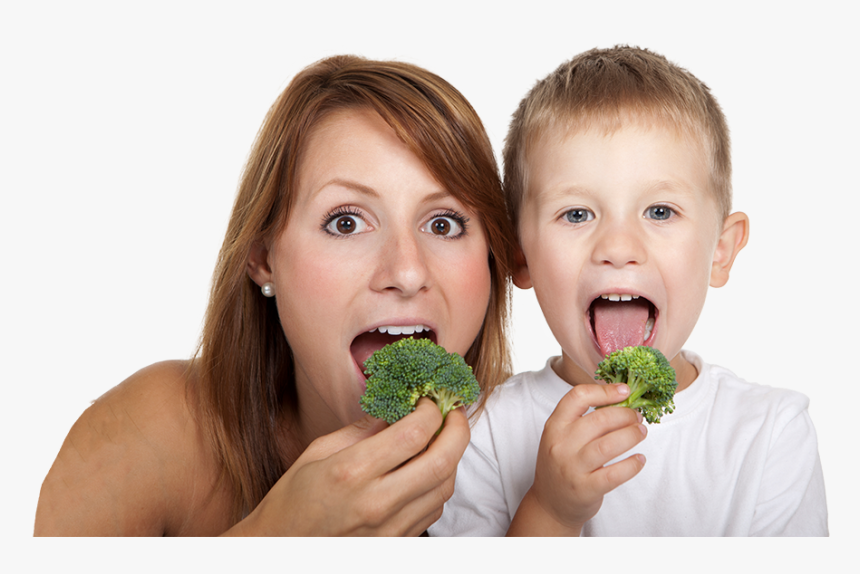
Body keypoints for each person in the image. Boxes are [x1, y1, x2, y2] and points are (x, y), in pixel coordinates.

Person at [34, 55, 516, 536]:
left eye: (443, 223)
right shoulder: (152, 433)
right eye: (346, 222)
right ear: (263, 258)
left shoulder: (535, 459)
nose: (407, 272)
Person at [429, 46, 828, 536]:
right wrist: (550, 512)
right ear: (520, 255)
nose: (618, 248)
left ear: (720, 251)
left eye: (660, 212)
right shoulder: (481, 432)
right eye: (576, 214)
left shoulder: (770, 435)